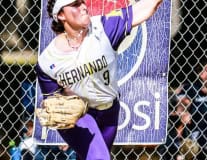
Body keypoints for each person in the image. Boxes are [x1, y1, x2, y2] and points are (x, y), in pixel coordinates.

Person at [36, 0, 163, 159]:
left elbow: (145, 7)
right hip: (81, 117)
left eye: (82, 2)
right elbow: (53, 105)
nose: (83, 6)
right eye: (75, 4)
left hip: (110, 113)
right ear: (61, 15)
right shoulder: (48, 62)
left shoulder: (103, 28)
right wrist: (69, 130)